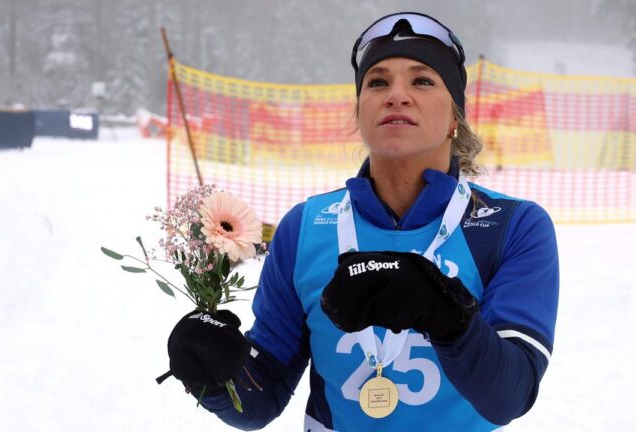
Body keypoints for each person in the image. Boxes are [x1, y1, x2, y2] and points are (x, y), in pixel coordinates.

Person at [166, 11, 559, 431]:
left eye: (422, 80)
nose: (397, 95)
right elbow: (261, 396)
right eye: (378, 82)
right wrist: (213, 372)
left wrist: (444, 311)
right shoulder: (305, 227)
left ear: (455, 119)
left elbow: (510, 395)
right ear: (359, 112)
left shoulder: (513, 226)